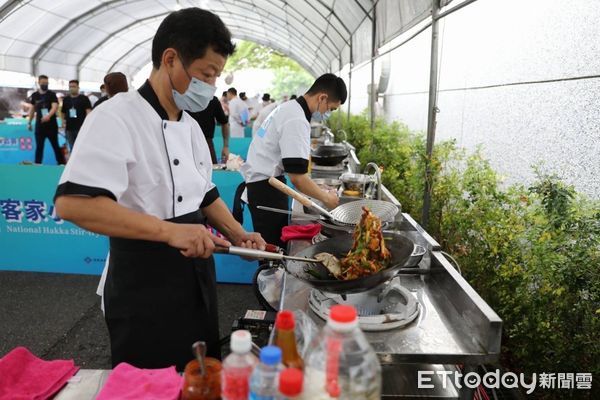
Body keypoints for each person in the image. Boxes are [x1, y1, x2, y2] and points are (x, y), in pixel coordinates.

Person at [54, 7, 265, 370]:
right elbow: (74, 203)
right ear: (170, 59)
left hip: (196, 278)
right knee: (152, 383)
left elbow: (204, 192)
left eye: (216, 77)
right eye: (206, 74)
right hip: (142, 282)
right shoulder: (116, 116)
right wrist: (170, 232)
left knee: (200, 374)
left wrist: (238, 233)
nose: (210, 87)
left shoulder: (191, 127)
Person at [240, 74, 347, 247]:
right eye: (331, 109)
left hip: (263, 185)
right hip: (266, 190)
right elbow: (298, 178)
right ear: (322, 97)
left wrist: (318, 189)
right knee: (272, 252)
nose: (327, 114)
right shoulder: (296, 118)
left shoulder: (289, 108)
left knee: (269, 247)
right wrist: (327, 199)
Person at [27, 75, 65, 164]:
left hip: (51, 126)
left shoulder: (51, 94)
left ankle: (61, 164)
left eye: (46, 83)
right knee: (39, 147)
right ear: (39, 83)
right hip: (39, 126)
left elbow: (54, 107)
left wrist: (48, 116)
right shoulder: (35, 95)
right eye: (43, 83)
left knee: (56, 145)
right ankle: (37, 164)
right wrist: (29, 122)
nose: (45, 84)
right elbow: (32, 109)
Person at [188, 95, 230, 164]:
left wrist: (226, 146)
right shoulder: (182, 98)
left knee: (212, 171)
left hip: (207, 143)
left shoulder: (212, 100)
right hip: (186, 143)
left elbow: (224, 122)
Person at [61, 80, 92, 150]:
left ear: (78, 87)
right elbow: (63, 112)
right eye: (70, 86)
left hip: (81, 127)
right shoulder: (66, 99)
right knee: (72, 147)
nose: (71, 88)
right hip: (69, 128)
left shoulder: (84, 98)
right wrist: (63, 121)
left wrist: (86, 124)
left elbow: (89, 112)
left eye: (73, 86)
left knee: (82, 147)